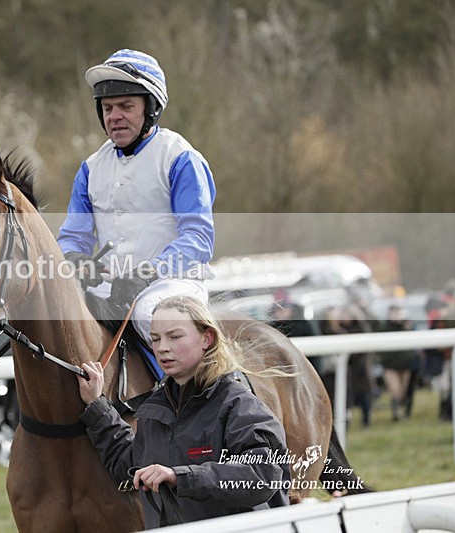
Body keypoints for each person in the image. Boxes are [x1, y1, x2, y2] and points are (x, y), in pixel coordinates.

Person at [76, 295, 289, 527]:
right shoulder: (153, 410)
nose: (163, 348)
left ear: (207, 338)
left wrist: (180, 476)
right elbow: (128, 464)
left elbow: (263, 476)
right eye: (155, 339)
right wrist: (97, 406)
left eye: (175, 336)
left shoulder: (240, 405)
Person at [57, 49, 216, 344]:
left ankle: (205, 389)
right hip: (110, 287)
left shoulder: (180, 158)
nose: (114, 117)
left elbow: (199, 237)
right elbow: (72, 237)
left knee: (149, 315)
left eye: (126, 106)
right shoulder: (90, 169)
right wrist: (75, 259)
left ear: (150, 108)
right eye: (107, 108)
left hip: (172, 286)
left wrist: (148, 272)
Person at [378, 305, 418, 421]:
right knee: (395, 390)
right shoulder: (384, 328)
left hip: (405, 364)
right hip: (390, 365)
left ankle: (403, 411)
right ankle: (396, 414)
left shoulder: (406, 326)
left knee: (402, 391)